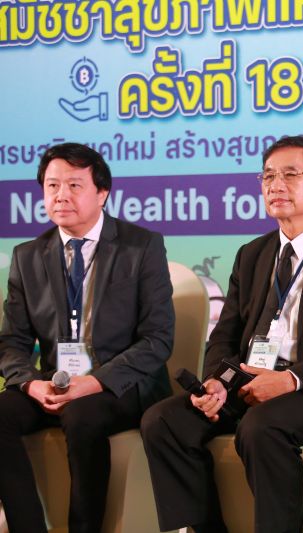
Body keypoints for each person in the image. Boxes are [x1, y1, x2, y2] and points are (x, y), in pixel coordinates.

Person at [141, 136, 303, 533]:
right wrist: (218, 383)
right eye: (268, 176)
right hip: (251, 381)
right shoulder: (252, 254)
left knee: (261, 426)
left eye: (290, 175)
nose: (276, 185)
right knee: (163, 421)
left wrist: (290, 380)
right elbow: (225, 336)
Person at [0, 143, 175, 533]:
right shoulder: (28, 256)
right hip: (55, 382)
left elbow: (158, 339)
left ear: (102, 193)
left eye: (74, 185)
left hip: (122, 385)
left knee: (81, 415)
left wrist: (94, 382)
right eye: (52, 186)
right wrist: (31, 384)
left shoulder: (141, 246)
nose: (60, 195)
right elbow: (11, 341)